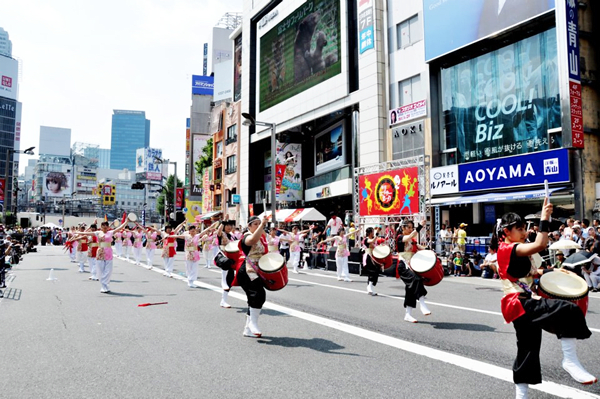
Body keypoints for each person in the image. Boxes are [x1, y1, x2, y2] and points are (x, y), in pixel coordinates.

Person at [493, 199, 596, 399]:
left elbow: (535, 272)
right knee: (569, 310)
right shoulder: (507, 249)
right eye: (519, 229)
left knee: (527, 349)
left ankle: (521, 396)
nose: (524, 233)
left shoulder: (520, 250)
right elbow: (541, 243)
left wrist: (557, 270)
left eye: (524, 228)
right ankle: (569, 360)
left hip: (521, 305)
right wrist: (544, 217)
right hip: (520, 302)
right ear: (506, 232)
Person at [237, 216, 269, 338]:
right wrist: (262, 225)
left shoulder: (262, 237)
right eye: (255, 224)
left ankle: (248, 328)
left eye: (259, 224)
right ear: (249, 226)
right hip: (247, 270)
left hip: (258, 270)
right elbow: (252, 240)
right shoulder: (246, 236)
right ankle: (253, 324)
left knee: (255, 298)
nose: (257, 226)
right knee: (257, 295)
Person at [396, 220, 430, 322]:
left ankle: (408, 314)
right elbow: (411, 236)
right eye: (409, 227)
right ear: (403, 228)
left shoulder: (413, 241)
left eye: (412, 227)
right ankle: (422, 303)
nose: (411, 229)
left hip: (412, 265)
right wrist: (420, 226)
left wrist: (429, 252)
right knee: (416, 280)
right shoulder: (400, 238)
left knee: (410, 290)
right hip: (403, 266)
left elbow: (421, 248)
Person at [78, 221, 127, 293]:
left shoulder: (111, 232)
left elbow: (120, 228)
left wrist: (126, 221)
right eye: (103, 225)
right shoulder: (98, 233)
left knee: (108, 270)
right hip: (100, 252)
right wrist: (78, 233)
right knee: (100, 270)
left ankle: (105, 285)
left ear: (108, 227)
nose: (104, 227)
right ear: (101, 226)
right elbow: (87, 233)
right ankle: (103, 285)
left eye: (106, 226)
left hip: (108, 253)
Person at [216, 219, 239, 308]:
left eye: (230, 225)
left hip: (231, 258)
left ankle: (223, 301)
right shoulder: (221, 234)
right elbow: (219, 231)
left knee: (229, 279)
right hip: (222, 256)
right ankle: (223, 281)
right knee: (226, 277)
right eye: (227, 225)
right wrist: (223, 222)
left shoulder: (233, 236)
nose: (229, 227)